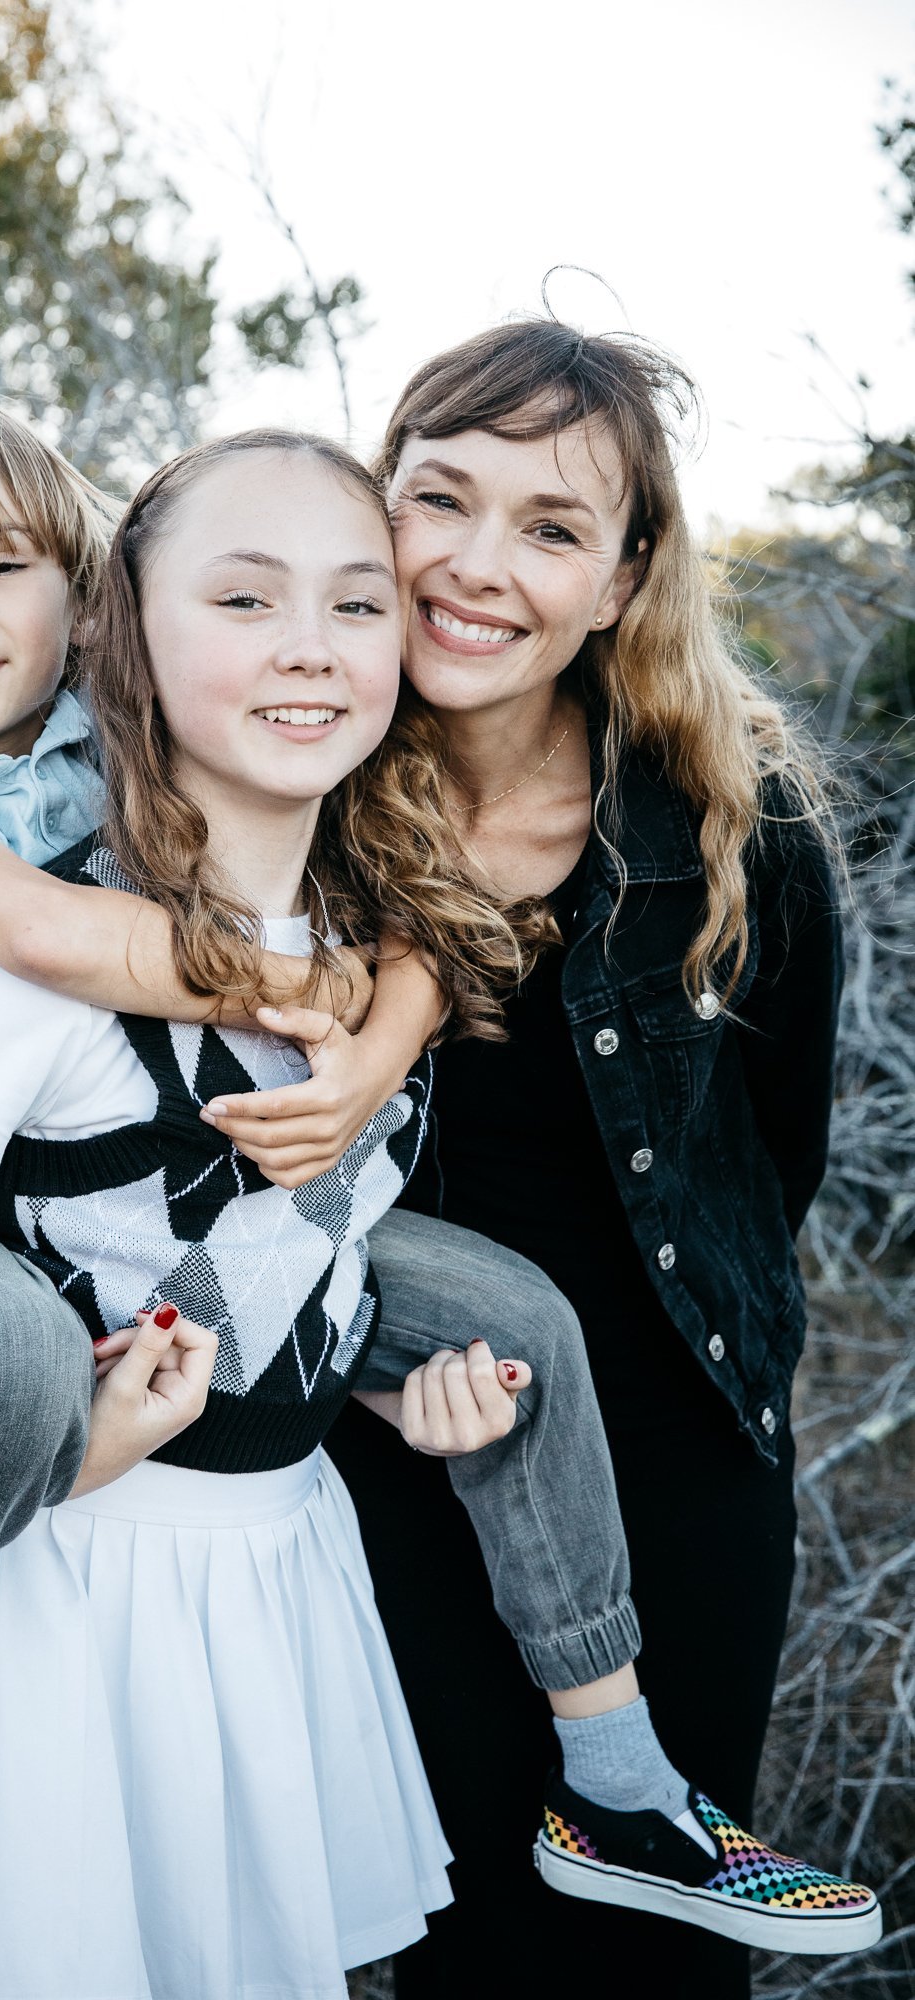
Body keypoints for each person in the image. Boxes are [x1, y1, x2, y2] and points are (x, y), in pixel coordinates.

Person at [0, 427, 877, 1996]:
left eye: (351, 606)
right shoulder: (51, 888)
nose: (311, 647)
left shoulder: (399, 859)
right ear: (135, 627)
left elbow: (704, 1131)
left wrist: (380, 1323)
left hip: (362, 1500)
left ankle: (618, 1780)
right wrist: (65, 1430)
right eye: (250, 603)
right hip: (149, 1535)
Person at [315, 320, 856, 2000]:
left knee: (652, 1968)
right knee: (461, 1948)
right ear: (370, 514)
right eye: (439, 501)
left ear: (622, 580)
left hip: (675, 1475)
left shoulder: (724, 822)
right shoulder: (274, 785)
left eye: (550, 527)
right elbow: (8, 924)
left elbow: (775, 1164)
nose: (477, 569)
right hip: (397, 1452)